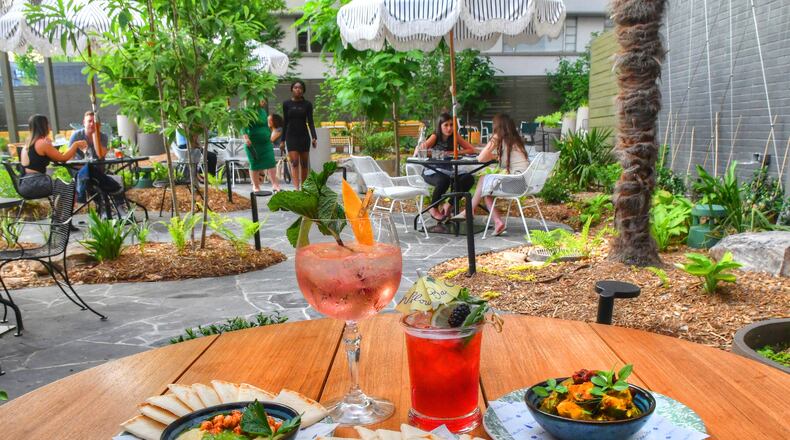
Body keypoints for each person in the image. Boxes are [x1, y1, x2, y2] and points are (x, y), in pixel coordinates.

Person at [451, 113, 530, 236]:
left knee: (484, 180)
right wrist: (492, 154)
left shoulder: (498, 137)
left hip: (516, 183)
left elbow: (481, 158)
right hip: (524, 183)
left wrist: (491, 142)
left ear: (498, 127)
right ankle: (497, 222)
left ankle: (468, 211)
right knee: (487, 190)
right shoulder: (514, 140)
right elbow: (499, 158)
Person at [417, 112, 477, 222]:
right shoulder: (435, 136)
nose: (449, 128)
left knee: (468, 179)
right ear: (440, 126)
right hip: (432, 170)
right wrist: (434, 153)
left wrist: (454, 152)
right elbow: (420, 151)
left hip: (449, 169)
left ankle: (449, 204)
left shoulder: (455, 136)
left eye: (451, 125)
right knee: (444, 181)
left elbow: (471, 149)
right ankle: (433, 208)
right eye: (446, 125)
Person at [69, 111, 127, 216]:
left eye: (94, 122)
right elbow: (70, 159)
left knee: (96, 177)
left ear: (99, 124)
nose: (91, 124)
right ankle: (112, 204)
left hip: (98, 171)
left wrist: (95, 136)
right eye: (89, 121)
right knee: (91, 174)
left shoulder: (102, 136)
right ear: (84, 122)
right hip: (80, 172)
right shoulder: (76, 136)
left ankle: (108, 207)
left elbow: (101, 155)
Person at [18, 114, 83, 199]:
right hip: (36, 183)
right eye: (47, 124)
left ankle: (59, 212)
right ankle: (62, 212)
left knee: (65, 186)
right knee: (69, 188)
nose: (49, 126)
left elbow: (54, 156)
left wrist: (50, 144)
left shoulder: (27, 144)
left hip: (25, 183)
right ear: (43, 126)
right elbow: (63, 158)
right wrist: (76, 144)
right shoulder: (42, 143)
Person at [282, 80, 317, 190]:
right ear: (292, 89)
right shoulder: (286, 104)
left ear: (303, 90)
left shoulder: (307, 105)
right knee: (295, 162)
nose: (298, 89)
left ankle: (304, 187)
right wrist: (282, 141)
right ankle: (296, 188)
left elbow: (310, 121)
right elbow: (285, 122)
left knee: (304, 163)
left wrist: (314, 137)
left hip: (304, 136)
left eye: (300, 88)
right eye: (296, 87)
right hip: (291, 136)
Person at [241, 99, 280, 193]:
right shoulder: (247, 111)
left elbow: (268, 125)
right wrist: (246, 137)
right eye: (261, 99)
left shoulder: (263, 111)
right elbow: (243, 126)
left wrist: (270, 135)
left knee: (271, 161)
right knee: (254, 163)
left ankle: (275, 184)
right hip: (253, 143)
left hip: (266, 142)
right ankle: (256, 186)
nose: (264, 102)